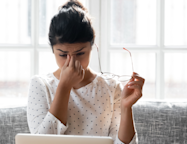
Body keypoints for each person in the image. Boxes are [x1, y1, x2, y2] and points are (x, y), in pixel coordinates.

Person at [27, 0, 145, 144]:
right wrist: (64, 86)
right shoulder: (40, 85)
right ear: (53, 50)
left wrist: (126, 108)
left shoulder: (112, 87)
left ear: (92, 47)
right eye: (63, 55)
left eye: (80, 53)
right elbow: (40, 142)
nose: (72, 62)